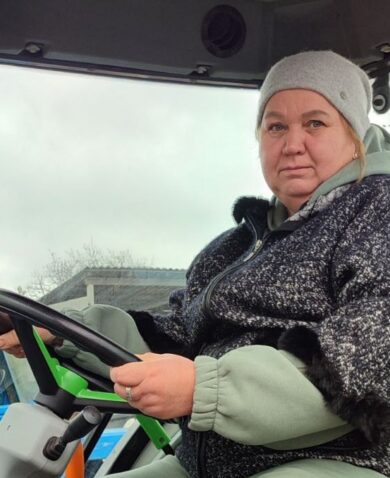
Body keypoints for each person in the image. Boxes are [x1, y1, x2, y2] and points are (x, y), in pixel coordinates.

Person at [1, 50, 390, 478]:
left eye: (315, 122)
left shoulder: (376, 211)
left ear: (354, 134)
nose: (292, 143)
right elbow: (178, 338)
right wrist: (62, 330)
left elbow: (369, 354)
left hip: (336, 461)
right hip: (203, 462)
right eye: (275, 125)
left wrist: (204, 389)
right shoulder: (234, 246)